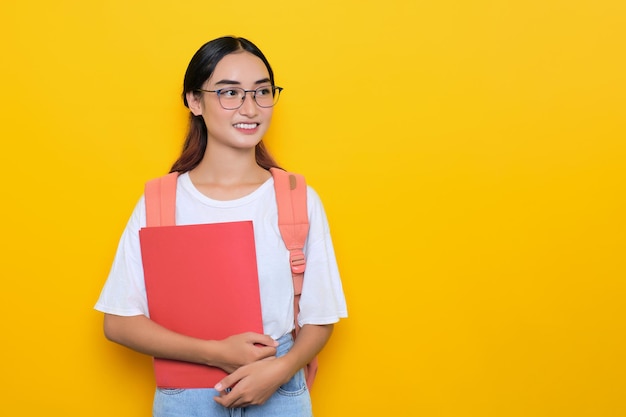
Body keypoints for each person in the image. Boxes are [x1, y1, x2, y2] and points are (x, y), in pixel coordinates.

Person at [94, 36, 347, 416]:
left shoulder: (296, 197)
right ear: (194, 101)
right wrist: (215, 352)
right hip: (186, 396)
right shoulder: (161, 201)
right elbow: (118, 322)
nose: (250, 107)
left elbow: (320, 316)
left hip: (279, 388)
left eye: (262, 91)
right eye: (230, 92)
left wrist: (278, 370)